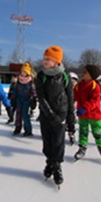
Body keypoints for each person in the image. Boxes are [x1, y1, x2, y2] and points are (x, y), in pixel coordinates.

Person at [35, 45, 75, 186]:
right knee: (47, 140)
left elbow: (70, 96)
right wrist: (51, 115)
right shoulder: (40, 76)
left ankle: (57, 166)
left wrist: (71, 117)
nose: (45, 61)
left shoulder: (65, 75)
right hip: (46, 114)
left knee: (58, 141)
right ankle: (49, 162)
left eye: (49, 59)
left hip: (61, 112)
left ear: (57, 62)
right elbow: (41, 98)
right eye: (44, 58)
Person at [73, 65, 101, 164]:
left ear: (92, 75)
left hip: (93, 115)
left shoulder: (95, 86)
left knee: (97, 133)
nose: (82, 74)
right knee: (83, 131)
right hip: (82, 114)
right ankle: (82, 147)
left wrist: (84, 108)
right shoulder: (79, 85)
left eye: (85, 72)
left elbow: (94, 101)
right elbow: (74, 96)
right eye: (83, 71)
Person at [10, 61, 37, 136]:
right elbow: (15, 89)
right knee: (18, 115)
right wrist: (13, 97)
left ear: (28, 72)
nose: (22, 73)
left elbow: (33, 90)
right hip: (19, 99)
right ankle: (18, 128)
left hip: (27, 100)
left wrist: (34, 98)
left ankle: (28, 130)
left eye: (24, 72)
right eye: (22, 71)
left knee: (25, 115)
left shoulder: (30, 81)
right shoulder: (19, 80)